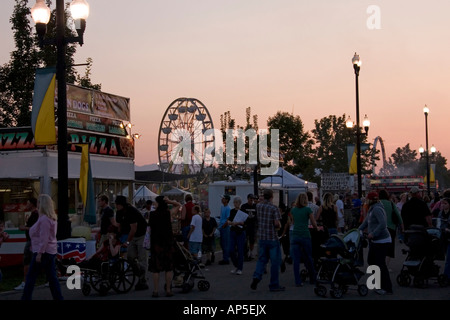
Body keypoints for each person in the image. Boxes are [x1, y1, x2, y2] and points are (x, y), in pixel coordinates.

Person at [21, 194, 63, 300]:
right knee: (52, 278)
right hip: (49, 251)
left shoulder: (44, 219)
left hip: (43, 252)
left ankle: (25, 298)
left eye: (39, 202)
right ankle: (58, 298)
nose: (37, 204)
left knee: (31, 277)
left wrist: (39, 252)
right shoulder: (50, 218)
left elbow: (44, 238)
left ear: (42, 204)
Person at [358, 191, 393, 295]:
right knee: (372, 260)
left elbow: (383, 224)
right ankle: (378, 283)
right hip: (375, 240)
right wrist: (357, 230)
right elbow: (366, 222)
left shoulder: (377, 209)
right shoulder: (371, 209)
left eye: (367, 199)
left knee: (380, 264)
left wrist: (373, 233)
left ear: (371, 199)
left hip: (382, 240)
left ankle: (386, 287)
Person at [250, 189, 285, 292]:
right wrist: (279, 226)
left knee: (261, 259)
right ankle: (274, 284)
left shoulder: (259, 206)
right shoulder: (274, 208)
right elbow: (276, 224)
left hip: (262, 237)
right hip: (272, 238)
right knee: (274, 262)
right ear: (271, 197)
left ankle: (257, 276)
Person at [114, 195, 149, 291]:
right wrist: (117, 236)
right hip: (132, 235)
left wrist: (127, 241)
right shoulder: (119, 213)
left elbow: (134, 228)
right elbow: (119, 225)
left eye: (117, 204)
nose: (116, 205)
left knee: (142, 258)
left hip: (141, 234)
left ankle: (143, 280)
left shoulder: (131, 211)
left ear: (122, 204)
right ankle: (139, 272)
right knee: (130, 257)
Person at [148, 196, 181, 298]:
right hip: (167, 243)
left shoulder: (152, 214)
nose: (154, 204)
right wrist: (170, 201)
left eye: (155, 203)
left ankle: (156, 290)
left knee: (156, 269)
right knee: (168, 268)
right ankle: (168, 290)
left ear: (159, 203)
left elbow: (150, 229)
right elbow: (179, 205)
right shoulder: (168, 213)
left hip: (156, 243)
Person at [290, 192, 319, 286]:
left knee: (296, 260)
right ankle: (312, 278)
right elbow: (313, 222)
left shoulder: (293, 210)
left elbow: (293, 222)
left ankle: (297, 281)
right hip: (305, 235)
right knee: (308, 258)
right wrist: (317, 228)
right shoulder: (307, 209)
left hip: (295, 235)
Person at [15, 197, 39, 291]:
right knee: (30, 261)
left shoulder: (36, 214)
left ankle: (26, 282)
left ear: (32, 204)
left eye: (28, 203)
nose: (26, 205)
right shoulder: (33, 214)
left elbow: (35, 228)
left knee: (27, 261)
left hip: (31, 241)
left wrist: (24, 228)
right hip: (31, 241)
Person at [378, 189, 404, 272]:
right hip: (391, 228)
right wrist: (402, 227)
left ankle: (379, 264)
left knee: (379, 247)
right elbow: (398, 216)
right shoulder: (391, 204)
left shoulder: (377, 204)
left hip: (379, 228)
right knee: (389, 248)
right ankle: (385, 265)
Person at [228, 196, 247, 275]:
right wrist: (229, 222)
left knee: (240, 250)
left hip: (240, 232)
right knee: (231, 250)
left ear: (240, 203)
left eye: (237, 202)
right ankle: (236, 265)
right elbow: (229, 219)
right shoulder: (232, 211)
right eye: (234, 202)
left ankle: (240, 268)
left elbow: (244, 222)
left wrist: (238, 223)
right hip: (233, 231)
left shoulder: (243, 211)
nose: (236, 204)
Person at [240, 194, 257, 261]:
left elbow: (256, 216)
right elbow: (242, 216)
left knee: (252, 240)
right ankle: (245, 253)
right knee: (245, 240)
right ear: (248, 199)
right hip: (246, 226)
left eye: (253, 199)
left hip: (253, 226)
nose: (252, 200)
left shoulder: (255, 206)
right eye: (250, 199)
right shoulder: (244, 206)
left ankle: (251, 252)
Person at [218, 194, 231, 265]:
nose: (222, 200)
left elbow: (228, 219)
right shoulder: (222, 207)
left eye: (223, 198)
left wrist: (223, 226)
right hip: (221, 226)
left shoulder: (228, 208)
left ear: (226, 200)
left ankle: (226, 259)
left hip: (225, 227)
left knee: (225, 243)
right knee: (222, 243)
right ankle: (224, 257)